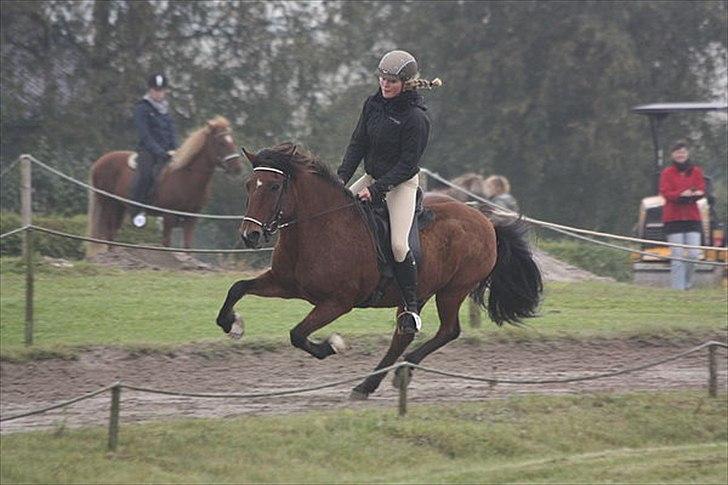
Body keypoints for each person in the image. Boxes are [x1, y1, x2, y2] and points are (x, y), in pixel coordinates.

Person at [337, 50, 441, 334]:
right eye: (382, 78)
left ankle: (410, 307)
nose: (385, 84)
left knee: (398, 245)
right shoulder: (373, 103)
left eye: (392, 81)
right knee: (336, 214)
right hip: (372, 176)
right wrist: (341, 179)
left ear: (405, 83)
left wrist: (377, 189)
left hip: (401, 184)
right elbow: (357, 144)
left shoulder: (416, 118)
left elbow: (408, 165)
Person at [130, 73, 179, 228]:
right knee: (145, 175)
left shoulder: (166, 111)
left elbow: (172, 133)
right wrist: (160, 152)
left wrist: (175, 149)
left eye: (161, 90)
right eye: (155, 90)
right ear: (150, 90)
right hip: (148, 151)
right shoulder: (142, 108)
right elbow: (145, 135)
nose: (158, 93)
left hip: (167, 153)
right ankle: (136, 210)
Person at [659, 140, 705, 290]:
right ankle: (678, 290)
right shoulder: (667, 173)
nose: (681, 155)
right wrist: (680, 194)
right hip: (674, 218)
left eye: (683, 152)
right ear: (673, 155)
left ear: (687, 153)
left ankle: (687, 283)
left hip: (692, 217)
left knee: (693, 254)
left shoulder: (696, 171)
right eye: (678, 152)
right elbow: (665, 192)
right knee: (677, 256)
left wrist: (696, 193)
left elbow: (700, 188)